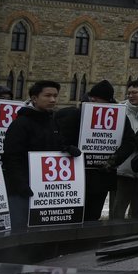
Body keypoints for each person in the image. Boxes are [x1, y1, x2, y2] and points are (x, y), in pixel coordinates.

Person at [0, 80, 75, 231]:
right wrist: (21, 184)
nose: (52, 100)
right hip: (22, 190)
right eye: (47, 95)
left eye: (55, 96)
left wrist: (67, 149)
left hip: (45, 190)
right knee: (20, 230)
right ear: (34, 98)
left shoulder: (53, 122)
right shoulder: (20, 124)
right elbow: (11, 157)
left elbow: (55, 145)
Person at [54, 80, 119, 221]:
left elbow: (128, 141)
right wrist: (67, 148)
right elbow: (57, 140)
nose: (94, 100)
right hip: (75, 176)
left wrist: (115, 158)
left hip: (100, 177)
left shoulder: (118, 117)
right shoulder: (70, 115)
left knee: (92, 217)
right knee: (71, 217)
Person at [109, 79, 138, 219]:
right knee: (117, 210)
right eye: (128, 93)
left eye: (134, 92)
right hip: (122, 169)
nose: (130, 96)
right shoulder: (118, 110)